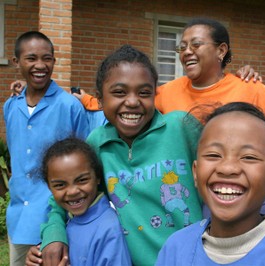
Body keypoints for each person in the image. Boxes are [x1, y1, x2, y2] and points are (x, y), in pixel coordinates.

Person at [66, 17, 265, 225]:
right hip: (182, 199)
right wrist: (84, 97)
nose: (186, 51)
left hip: (230, 198)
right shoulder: (166, 92)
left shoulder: (250, 89)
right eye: (182, 46)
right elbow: (123, 100)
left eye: (196, 45)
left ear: (221, 50)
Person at [39, 44, 204, 266]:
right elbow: (61, 197)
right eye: (119, 92)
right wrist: (53, 235)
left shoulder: (180, 127)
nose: (133, 101)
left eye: (144, 93)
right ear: (99, 99)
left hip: (195, 259)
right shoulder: (97, 143)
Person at [156, 102, 265, 265]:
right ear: (195, 173)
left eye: (248, 157)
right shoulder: (176, 248)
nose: (227, 168)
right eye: (214, 155)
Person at [3, 31, 89, 266]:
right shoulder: (11, 106)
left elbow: (87, 164)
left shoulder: (70, 106)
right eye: (31, 58)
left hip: (55, 219)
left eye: (47, 58)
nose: (40, 65)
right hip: (18, 218)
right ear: (16, 62)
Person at [25, 138, 131, 266]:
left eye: (82, 180)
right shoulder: (67, 221)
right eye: (60, 185)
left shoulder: (109, 229)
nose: (72, 191)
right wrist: (41, 259)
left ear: (97, 177)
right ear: (49, 187)